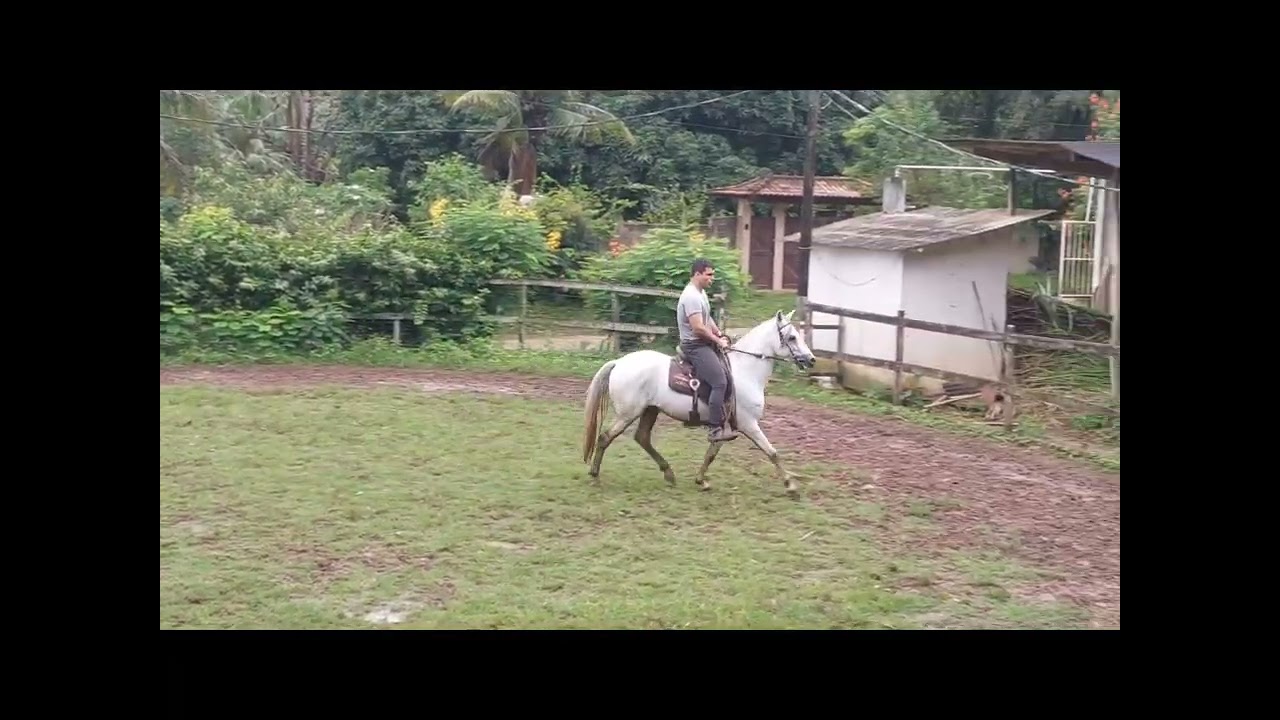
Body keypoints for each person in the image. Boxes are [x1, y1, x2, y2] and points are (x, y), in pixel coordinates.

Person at [677, 258, 738, 442]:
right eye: (709, 275)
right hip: (694, 346)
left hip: (703, 342)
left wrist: (719, 333)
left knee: (726, 374)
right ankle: (714, 429)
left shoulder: (701, 293)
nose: (712, 278)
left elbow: (707, 318)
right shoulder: (691, 297)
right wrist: (718, 341)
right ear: (697, 274)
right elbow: (698, 328)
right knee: (719, 382)